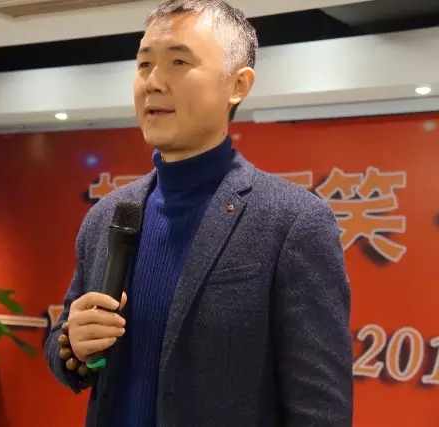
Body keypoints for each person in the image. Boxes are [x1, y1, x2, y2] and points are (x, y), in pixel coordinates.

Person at [45, 0, 353, 426]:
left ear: (237, 85)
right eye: (144, 64)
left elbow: (320, 410)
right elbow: (62, 342)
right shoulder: (108, 215)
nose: (153, 82)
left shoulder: (292, 221)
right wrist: (73, 344)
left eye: (178, 61)